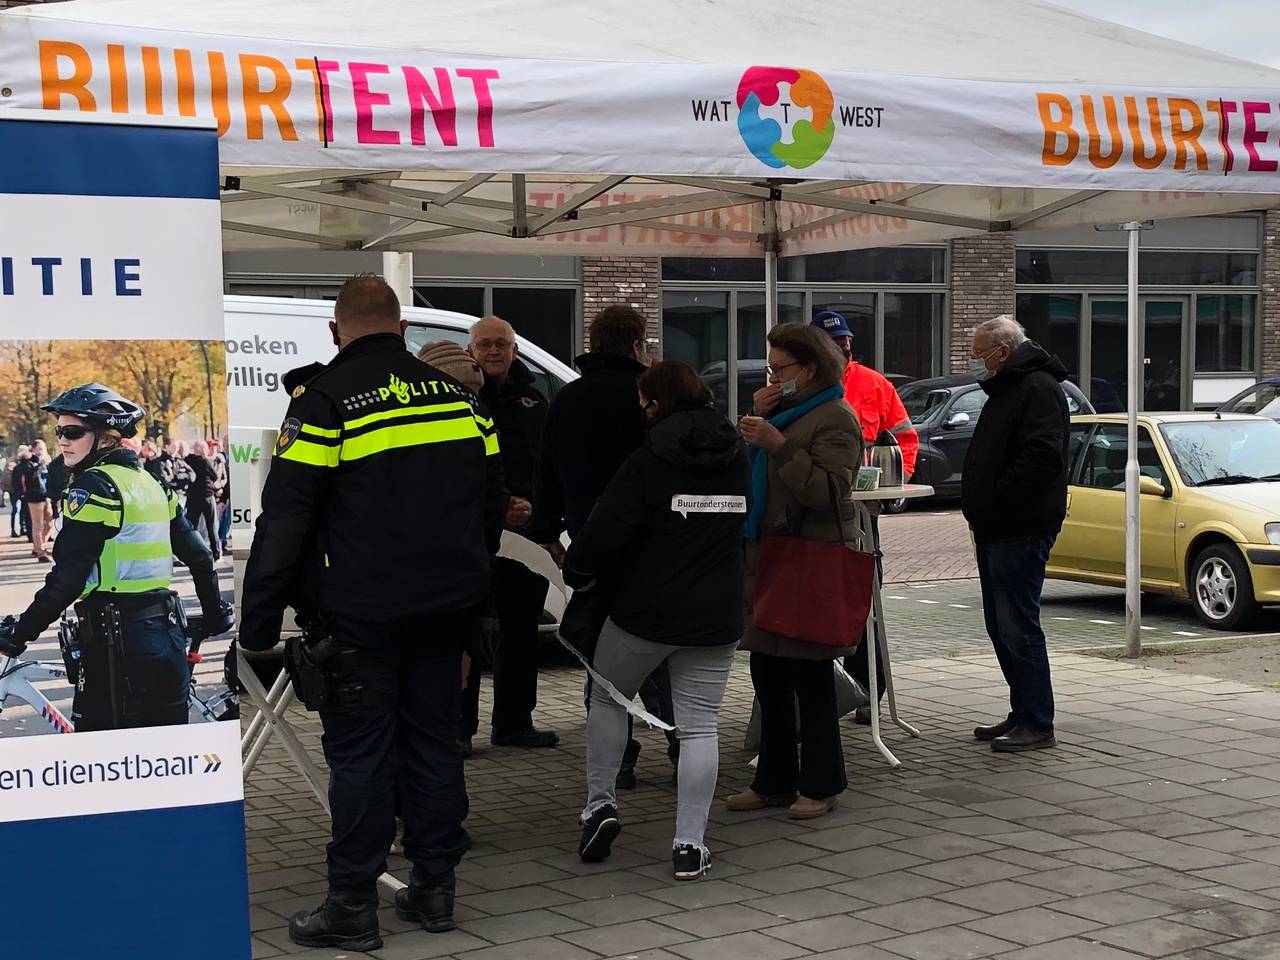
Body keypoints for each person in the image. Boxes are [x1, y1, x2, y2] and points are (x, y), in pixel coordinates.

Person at [238, 274, 506, 951]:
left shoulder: (325, 403)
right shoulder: (463, 402)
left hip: (360, 614)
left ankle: (352, 904)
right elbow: (492, 504)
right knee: (433, 745)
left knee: (360, 756)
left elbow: (287, 518)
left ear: (336, 330)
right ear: (401, 328)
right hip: (448, 610)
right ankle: (436, 890)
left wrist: (259, 623)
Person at [566, 360, 749, 880]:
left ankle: (600, 805)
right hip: (715, 613)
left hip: (643, 614)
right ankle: (690, 845)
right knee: (699, 727)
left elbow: (605, 529)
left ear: (654, 403)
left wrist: (580, 571)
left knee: (607, 697)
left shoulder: (646, 461)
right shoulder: (736, 454)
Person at [0, 384, 231, 730]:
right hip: (167, 641)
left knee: (105, 767)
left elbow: (67, 581)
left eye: (73, 432)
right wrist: (213, 615)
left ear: (107, 436)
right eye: (59, 431)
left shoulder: (93, 487)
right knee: (166, 763)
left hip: (115, 651)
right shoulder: (153, 483)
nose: (62, 440)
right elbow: (200, 556)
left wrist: (20, 633)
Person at [533, 304, 679, 787]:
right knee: (661, 649)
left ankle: (619, 757)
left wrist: (550, 535)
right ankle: (683, 743)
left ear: (593, 344)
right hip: (654, 545)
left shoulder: (567, 400)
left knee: (603, 655)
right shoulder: (652, 398)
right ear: (638, 343)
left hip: (592, 545)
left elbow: (547, 474)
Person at [727, 322, 863, 821]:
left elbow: (829, 492)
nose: (774, 377)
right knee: (767, 671)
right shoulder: (782, 410)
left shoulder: (836, 417)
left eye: (781, 368)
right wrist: (758, 421)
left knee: (810, 676)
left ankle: (822, 783)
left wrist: (779, 444)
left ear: (809, 368)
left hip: (807, 558)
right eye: (770, 368)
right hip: (766, 555)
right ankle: (774, 779)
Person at [962, 315, 1069, 753]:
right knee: (1000, 624)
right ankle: (1022, 710)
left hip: (1018, 527)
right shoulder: (1008, 386)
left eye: (978, 355)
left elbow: (1042, 457)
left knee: (1017, 625)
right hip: (997, 526)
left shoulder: (1038, 388)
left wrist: (997, 499)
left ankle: (1037, 721)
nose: (974, 364)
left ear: (1002, 353)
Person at [811, 310, 918, 723]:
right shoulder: (798, 386)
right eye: (835, 342)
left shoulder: (874, 384)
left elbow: (905, 437)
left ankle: (868, 689)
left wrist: (896, 484)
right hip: (816, 509)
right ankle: (827, 691)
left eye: (847, 341)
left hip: (862, 512)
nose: (844, 347)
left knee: (863, 597)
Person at [463, 315, 559, 752]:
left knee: (521, 633)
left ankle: (515, 723)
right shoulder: (460, 400)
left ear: (515, 349)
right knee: (468, 634)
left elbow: (546, 466)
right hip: (473, 537)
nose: (494, 351)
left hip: (525, 536)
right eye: (485, 345)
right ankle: (458, 730)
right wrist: (495, 506)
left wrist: (540, 516)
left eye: (501, 344)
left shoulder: (534, 401)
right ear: (471, 352)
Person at [16, 440, 53, 562]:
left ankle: (39, 545)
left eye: (43, 448)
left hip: (46, 495)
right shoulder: (28, 463)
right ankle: (40, 551)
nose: (42, 451)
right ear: (33, 449)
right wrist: (39, 464)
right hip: (34, 497)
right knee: (37, 525)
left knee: (49, 523)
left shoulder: (45, 461)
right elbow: (28, 476)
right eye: (40, 448)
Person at [184, 440, 220, 560]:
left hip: (193, 498)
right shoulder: (205, 461)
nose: (206, 450)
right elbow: (215, 476)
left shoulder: (187, 460)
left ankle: (191, 551)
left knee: (192, 526)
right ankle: (216, 553)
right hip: (207, 497)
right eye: (204, 448)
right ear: (199, 449)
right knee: (211, 526)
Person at [209, 438, 231, 554]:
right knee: (216, 523)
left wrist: (220, 484)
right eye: (212, 447)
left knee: (224, 521)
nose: (214, 449)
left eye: (216, 447)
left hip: (221, 494)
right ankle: (217, 546)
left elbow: (225, 478)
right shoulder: (207, 461)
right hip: (211, 495)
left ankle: (222, 543)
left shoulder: (220, 461)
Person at [9, 446, 29, 538]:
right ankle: (17, 529)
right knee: (18, 510)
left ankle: (20, 528)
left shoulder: (15, 463)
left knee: (19, 510)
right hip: (16, 491)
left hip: (16, 491)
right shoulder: (13, 463)